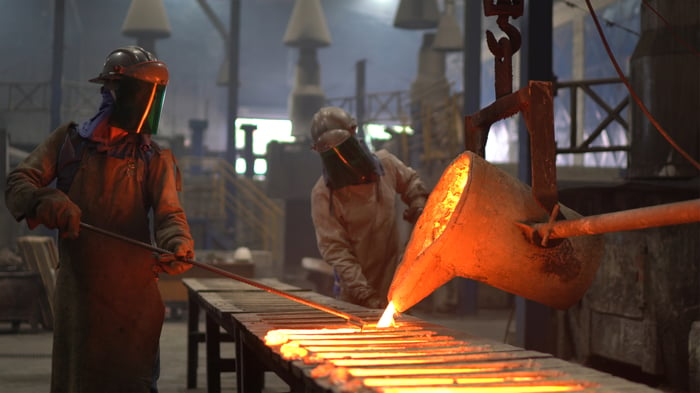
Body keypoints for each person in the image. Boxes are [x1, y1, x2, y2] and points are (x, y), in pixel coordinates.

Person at [4, 46, 194, 393]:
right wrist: (49, 200)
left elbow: (170, 215)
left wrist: (176, 243)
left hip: (134, 306)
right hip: (81, 303)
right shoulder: (70, 143)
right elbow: (19, 181)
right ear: (115, 91)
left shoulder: (153, 157)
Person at [309, 106, 429, 309]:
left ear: (354, 131)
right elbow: (336, 250)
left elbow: (410, 182)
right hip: (355, 293)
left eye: (343, 146)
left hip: (397, 281)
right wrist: (365, 294)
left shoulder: (386, 165)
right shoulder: (324, 194)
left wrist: (417, 203)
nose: (342, 159)